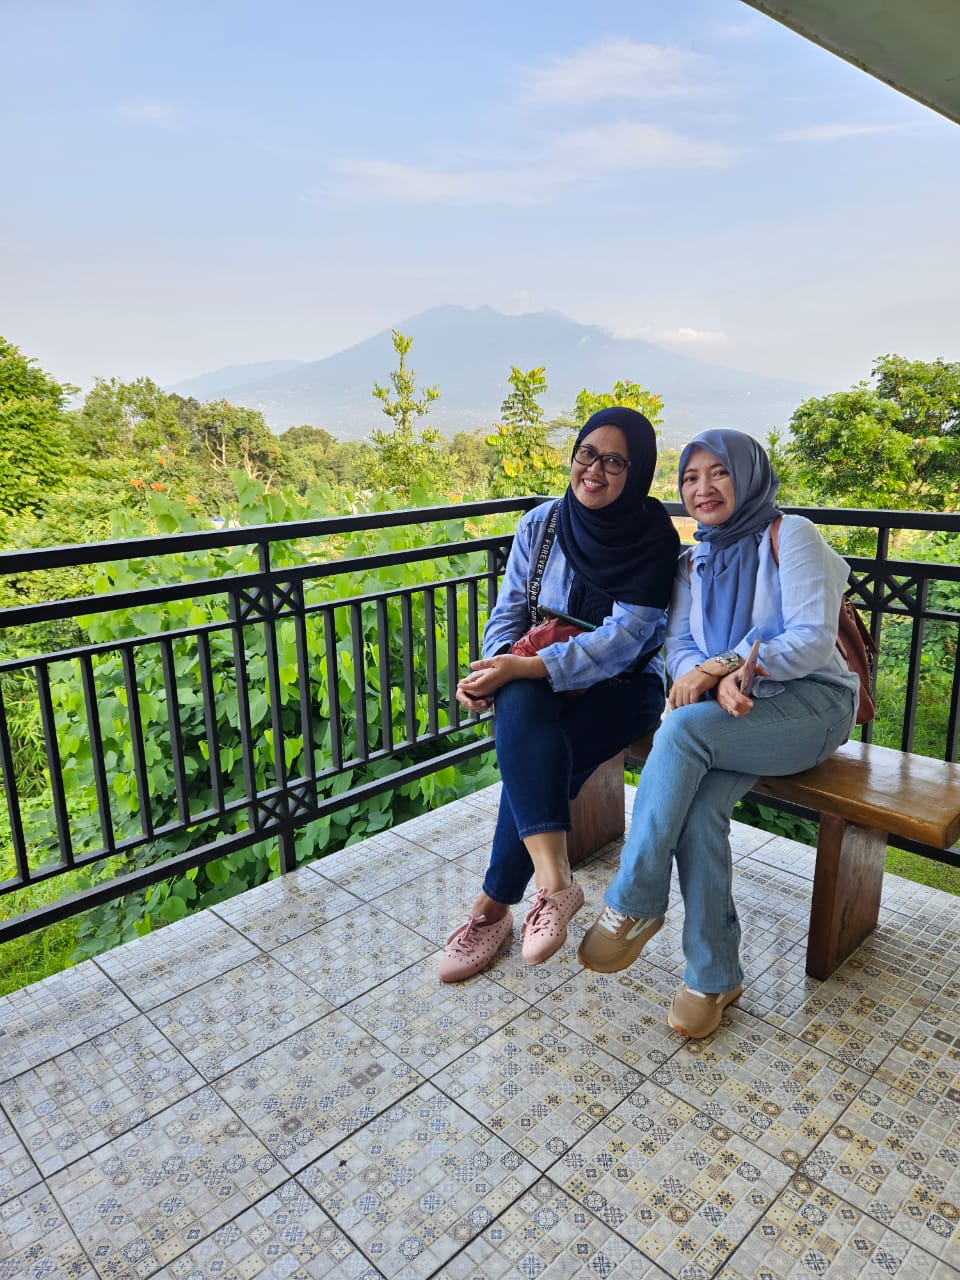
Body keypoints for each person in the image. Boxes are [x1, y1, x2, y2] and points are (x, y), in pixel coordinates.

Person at [578, 429, 860, 1037]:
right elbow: (679, 645)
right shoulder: (693, 561)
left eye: (719, 473)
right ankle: (714, 976)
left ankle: (633, 899)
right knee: (701, 809)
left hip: (813, 704)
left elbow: (811, 639)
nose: (702, 488)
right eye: (690, 477)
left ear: (748, 477)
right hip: (731, 713)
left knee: (680, 732)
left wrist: (726, 667)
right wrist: (712, 677)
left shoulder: (792, 535)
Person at [439, 407, 681, 981]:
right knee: (524, 712)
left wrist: (521, 668)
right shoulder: (543, 524)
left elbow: (624, 641)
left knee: (541, 753)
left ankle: (493, 905)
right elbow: (509, 613)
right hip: (544, 680)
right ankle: (554, 884)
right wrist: (494, 667)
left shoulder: (651, 540)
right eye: (587, 454)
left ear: (639, 472)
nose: (595, 470)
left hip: (626, 687)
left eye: (615, 461)